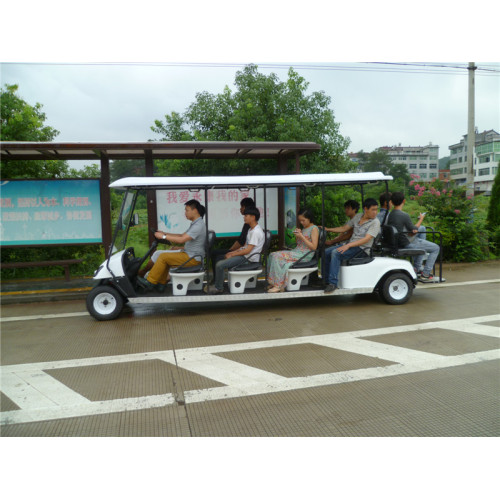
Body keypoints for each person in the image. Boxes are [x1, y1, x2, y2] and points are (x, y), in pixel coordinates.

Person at [137, 199, 206, 292]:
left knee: (163, 257)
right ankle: (161, 284)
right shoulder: (196, 224)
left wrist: (164, 236)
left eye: (187, 210)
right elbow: (181, 235)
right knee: (165, 256)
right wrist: (164, 233)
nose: (185, 213)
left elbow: (182, 240)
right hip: (190, 255)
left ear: (195, 210)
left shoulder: (198, 226)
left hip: (193, 258)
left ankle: (150, 282)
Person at [323, 198, 381, 294]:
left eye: (376, 209)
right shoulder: (358, 217)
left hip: (362, 249)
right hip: (351, 245)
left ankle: (333, 283)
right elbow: (344, 228)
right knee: (326, 252)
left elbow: (366, 239)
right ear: (365, 209)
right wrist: (327, 229)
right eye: (373, 209)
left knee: (336, 253)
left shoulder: (375, 222)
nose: (375, 212)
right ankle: (325, 280)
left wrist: (348, 245)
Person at [206, 207, 265, 294]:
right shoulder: (250, 229)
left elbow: (248, 250)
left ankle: (218, 288)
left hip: (248, 259)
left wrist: (233, 255)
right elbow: (245, 246)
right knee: (219, 258)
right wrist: (232, 252)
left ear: (253, 217)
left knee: (219, 265)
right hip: (245, 256)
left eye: (246, 215)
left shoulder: (256, 232)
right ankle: (218, 282)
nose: (244, 217)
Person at [387, 192, 439, 282]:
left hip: (397, 240)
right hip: (405, 243)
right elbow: (414, 230)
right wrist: (421, 219)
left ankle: (417, 267)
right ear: (404, 201)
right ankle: (425, 274)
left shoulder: (391, 214)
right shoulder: (404, 215)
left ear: (392, 202)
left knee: (421, 230)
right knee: (436, 248)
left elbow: (412, 231)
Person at [267, 208, 319, 293]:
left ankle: (278, 285)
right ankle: (274, 282)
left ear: (309, 218)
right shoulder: (304, 228)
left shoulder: (314, 229)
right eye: (300, 221)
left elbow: (314, 247)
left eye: (303, 220)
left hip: (305, 254)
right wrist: (297, 236)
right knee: (272, 255)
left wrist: (301, 236)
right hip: (297, 251)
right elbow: (299, 244)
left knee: (277, 256)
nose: (301, 222)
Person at [211, 197, 256, 276]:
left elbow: (242, 243)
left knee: (218, 258)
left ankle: (216, 282)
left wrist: (231, 252)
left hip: (244, 255)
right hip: (240, 251)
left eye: (242, 206)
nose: (240, 209)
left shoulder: (252, 227)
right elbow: (241, 241)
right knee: (214, 253)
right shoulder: (247, 225)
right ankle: (216, 280)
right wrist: (231, 251)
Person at [321, 200, 360, 279]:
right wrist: (334, 240)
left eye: (348, 208)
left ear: (354, 209)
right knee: (325, 252)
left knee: (333, 252)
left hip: (350, 245)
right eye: (345, 208)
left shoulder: (356, 220)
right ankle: (325, 278)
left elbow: (347, 235)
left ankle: (330, 279)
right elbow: (342, 231)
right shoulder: (350, 221)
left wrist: (331, 240)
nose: (346, 210)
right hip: (345, 244)